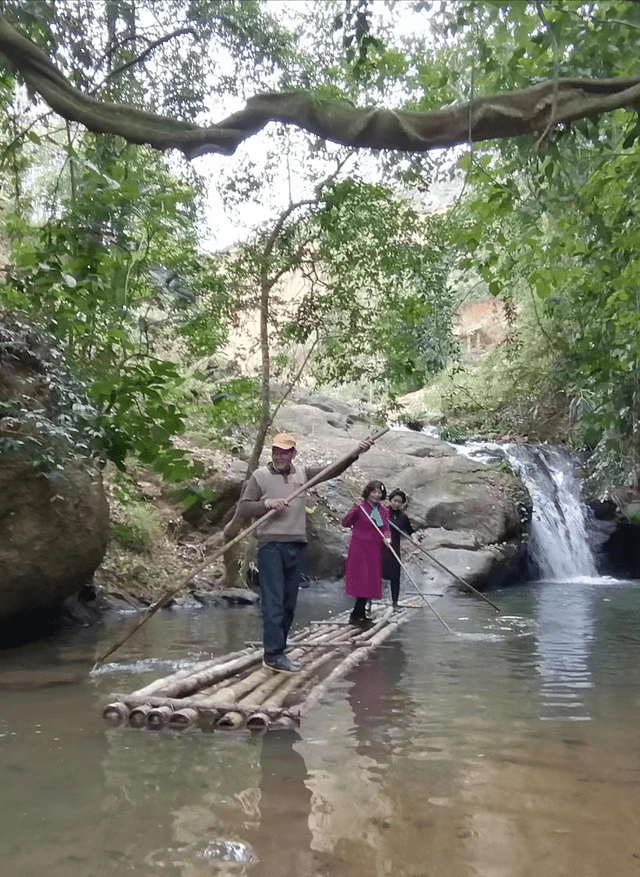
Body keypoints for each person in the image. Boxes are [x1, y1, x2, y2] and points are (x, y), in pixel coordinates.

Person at [237, 432, 372, 673]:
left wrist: (355, 454)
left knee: (289, 603)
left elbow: (332, 470)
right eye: (276, 451)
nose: (279, 456)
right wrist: (267, 504)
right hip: (271, 545)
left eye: (285, 452)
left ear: (293, 454)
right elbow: (245, 507)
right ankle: (273, 654)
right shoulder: (260, 476)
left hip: (295, 545)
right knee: (274, 601)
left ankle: (279, 649)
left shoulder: (303, 474)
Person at [341, 480, 391, 625]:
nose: (376, 495)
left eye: (379, 493)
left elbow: (385, 528)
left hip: (375, 548)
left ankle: (359, 613)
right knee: (361, 579)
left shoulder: (383, 511)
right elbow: (345, 523)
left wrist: (388, 538)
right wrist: (354, 509)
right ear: (368, 492)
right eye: (374, 491)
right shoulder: (361, 507)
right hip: (359, 547)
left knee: (370, 580)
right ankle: (357, 613)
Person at [382, 488, 415, 610]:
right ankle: (368, 603)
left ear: (403, 504)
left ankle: (395, 603)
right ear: (390, 500)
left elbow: (410, 531)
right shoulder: (383, 513)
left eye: (399, 502)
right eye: (394, 500)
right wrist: (385, 536)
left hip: (395, 548)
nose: (396, 503)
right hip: (381, 547)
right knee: (376, 575)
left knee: (395, 578)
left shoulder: (403, 517)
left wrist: (415, 540)